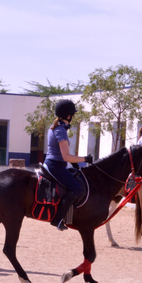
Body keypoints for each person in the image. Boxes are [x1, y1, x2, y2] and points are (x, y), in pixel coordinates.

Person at [45, 99, 93, 231]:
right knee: (77, 189)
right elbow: (66, 156)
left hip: (55, 163)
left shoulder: (56, 127)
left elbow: (64, 155)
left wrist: (75, 163)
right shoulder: (60, 130)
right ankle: (58, 219)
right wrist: (85, 159)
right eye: (73, 114)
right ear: (68, 115)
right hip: (56, 165)